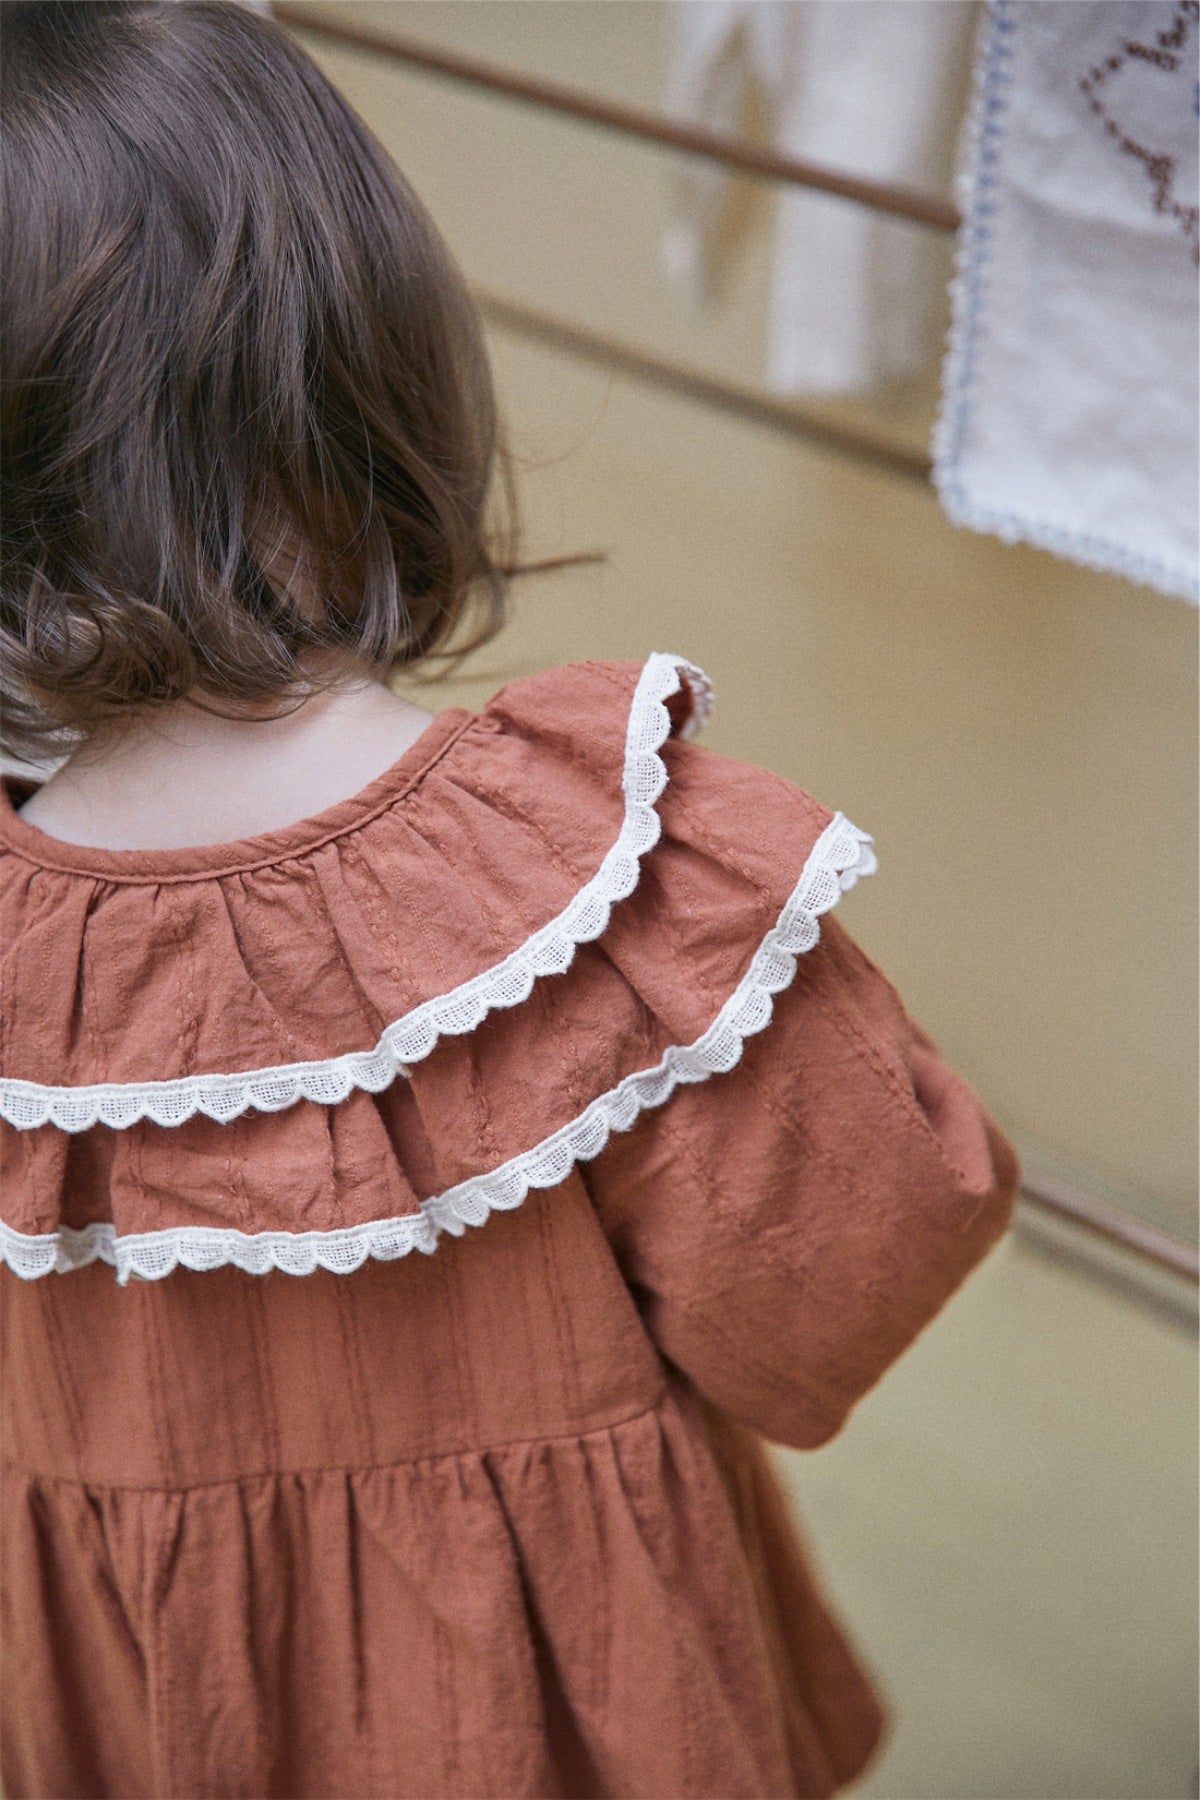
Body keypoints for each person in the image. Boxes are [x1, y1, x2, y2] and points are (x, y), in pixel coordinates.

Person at [0, 4, 1019, 1796]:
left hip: (118, 1705)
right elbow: (854, 1260)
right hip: (558, 1715)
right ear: (360, 385)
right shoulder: (593, 889)